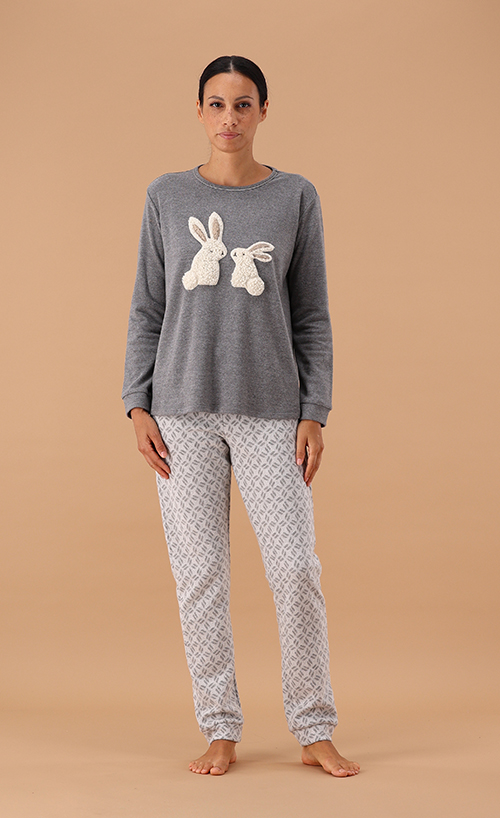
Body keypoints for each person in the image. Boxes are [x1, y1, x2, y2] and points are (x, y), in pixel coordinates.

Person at [122, 55, 360, 778]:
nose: (230, 117)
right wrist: (136, 402)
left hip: (270, 412)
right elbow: (148, 307)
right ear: (200, 111)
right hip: (180, 411)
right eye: (217, 104)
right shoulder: (166, 196)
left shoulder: (295, 197)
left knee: (295, 569)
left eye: (244, 104)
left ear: (262, 111)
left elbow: (312, 314)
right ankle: (220, 727)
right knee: (199, 577)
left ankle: (314, 727)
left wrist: (314, 410)